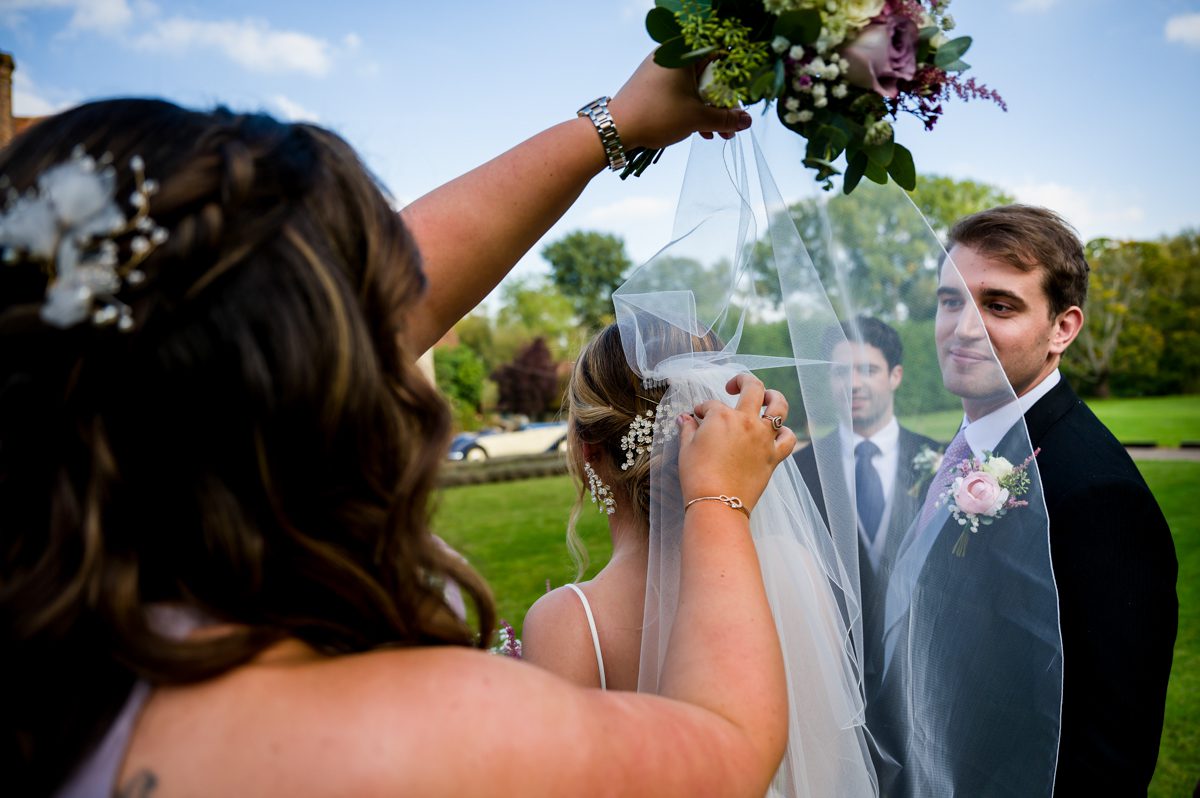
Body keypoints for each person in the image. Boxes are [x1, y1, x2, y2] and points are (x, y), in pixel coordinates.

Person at [0, 58, 801, 796]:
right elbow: (724, 743)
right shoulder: (392, 733)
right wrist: (717, 503)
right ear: (315, 388)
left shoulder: (53, 648)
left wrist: (613, 123)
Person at [880, 205, 1178, 795]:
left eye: (999, 305)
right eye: (949, 300)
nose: (962, 327)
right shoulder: (971, 446)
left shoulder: (1097, 497)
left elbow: (1108, 755)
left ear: (1063, 328)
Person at [792, 316, 939, 617]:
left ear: (895, 376)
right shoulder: (797, 469)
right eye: (841, 372)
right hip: (836, 646)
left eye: (868, 370)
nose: (854, 384)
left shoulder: (943, 462)